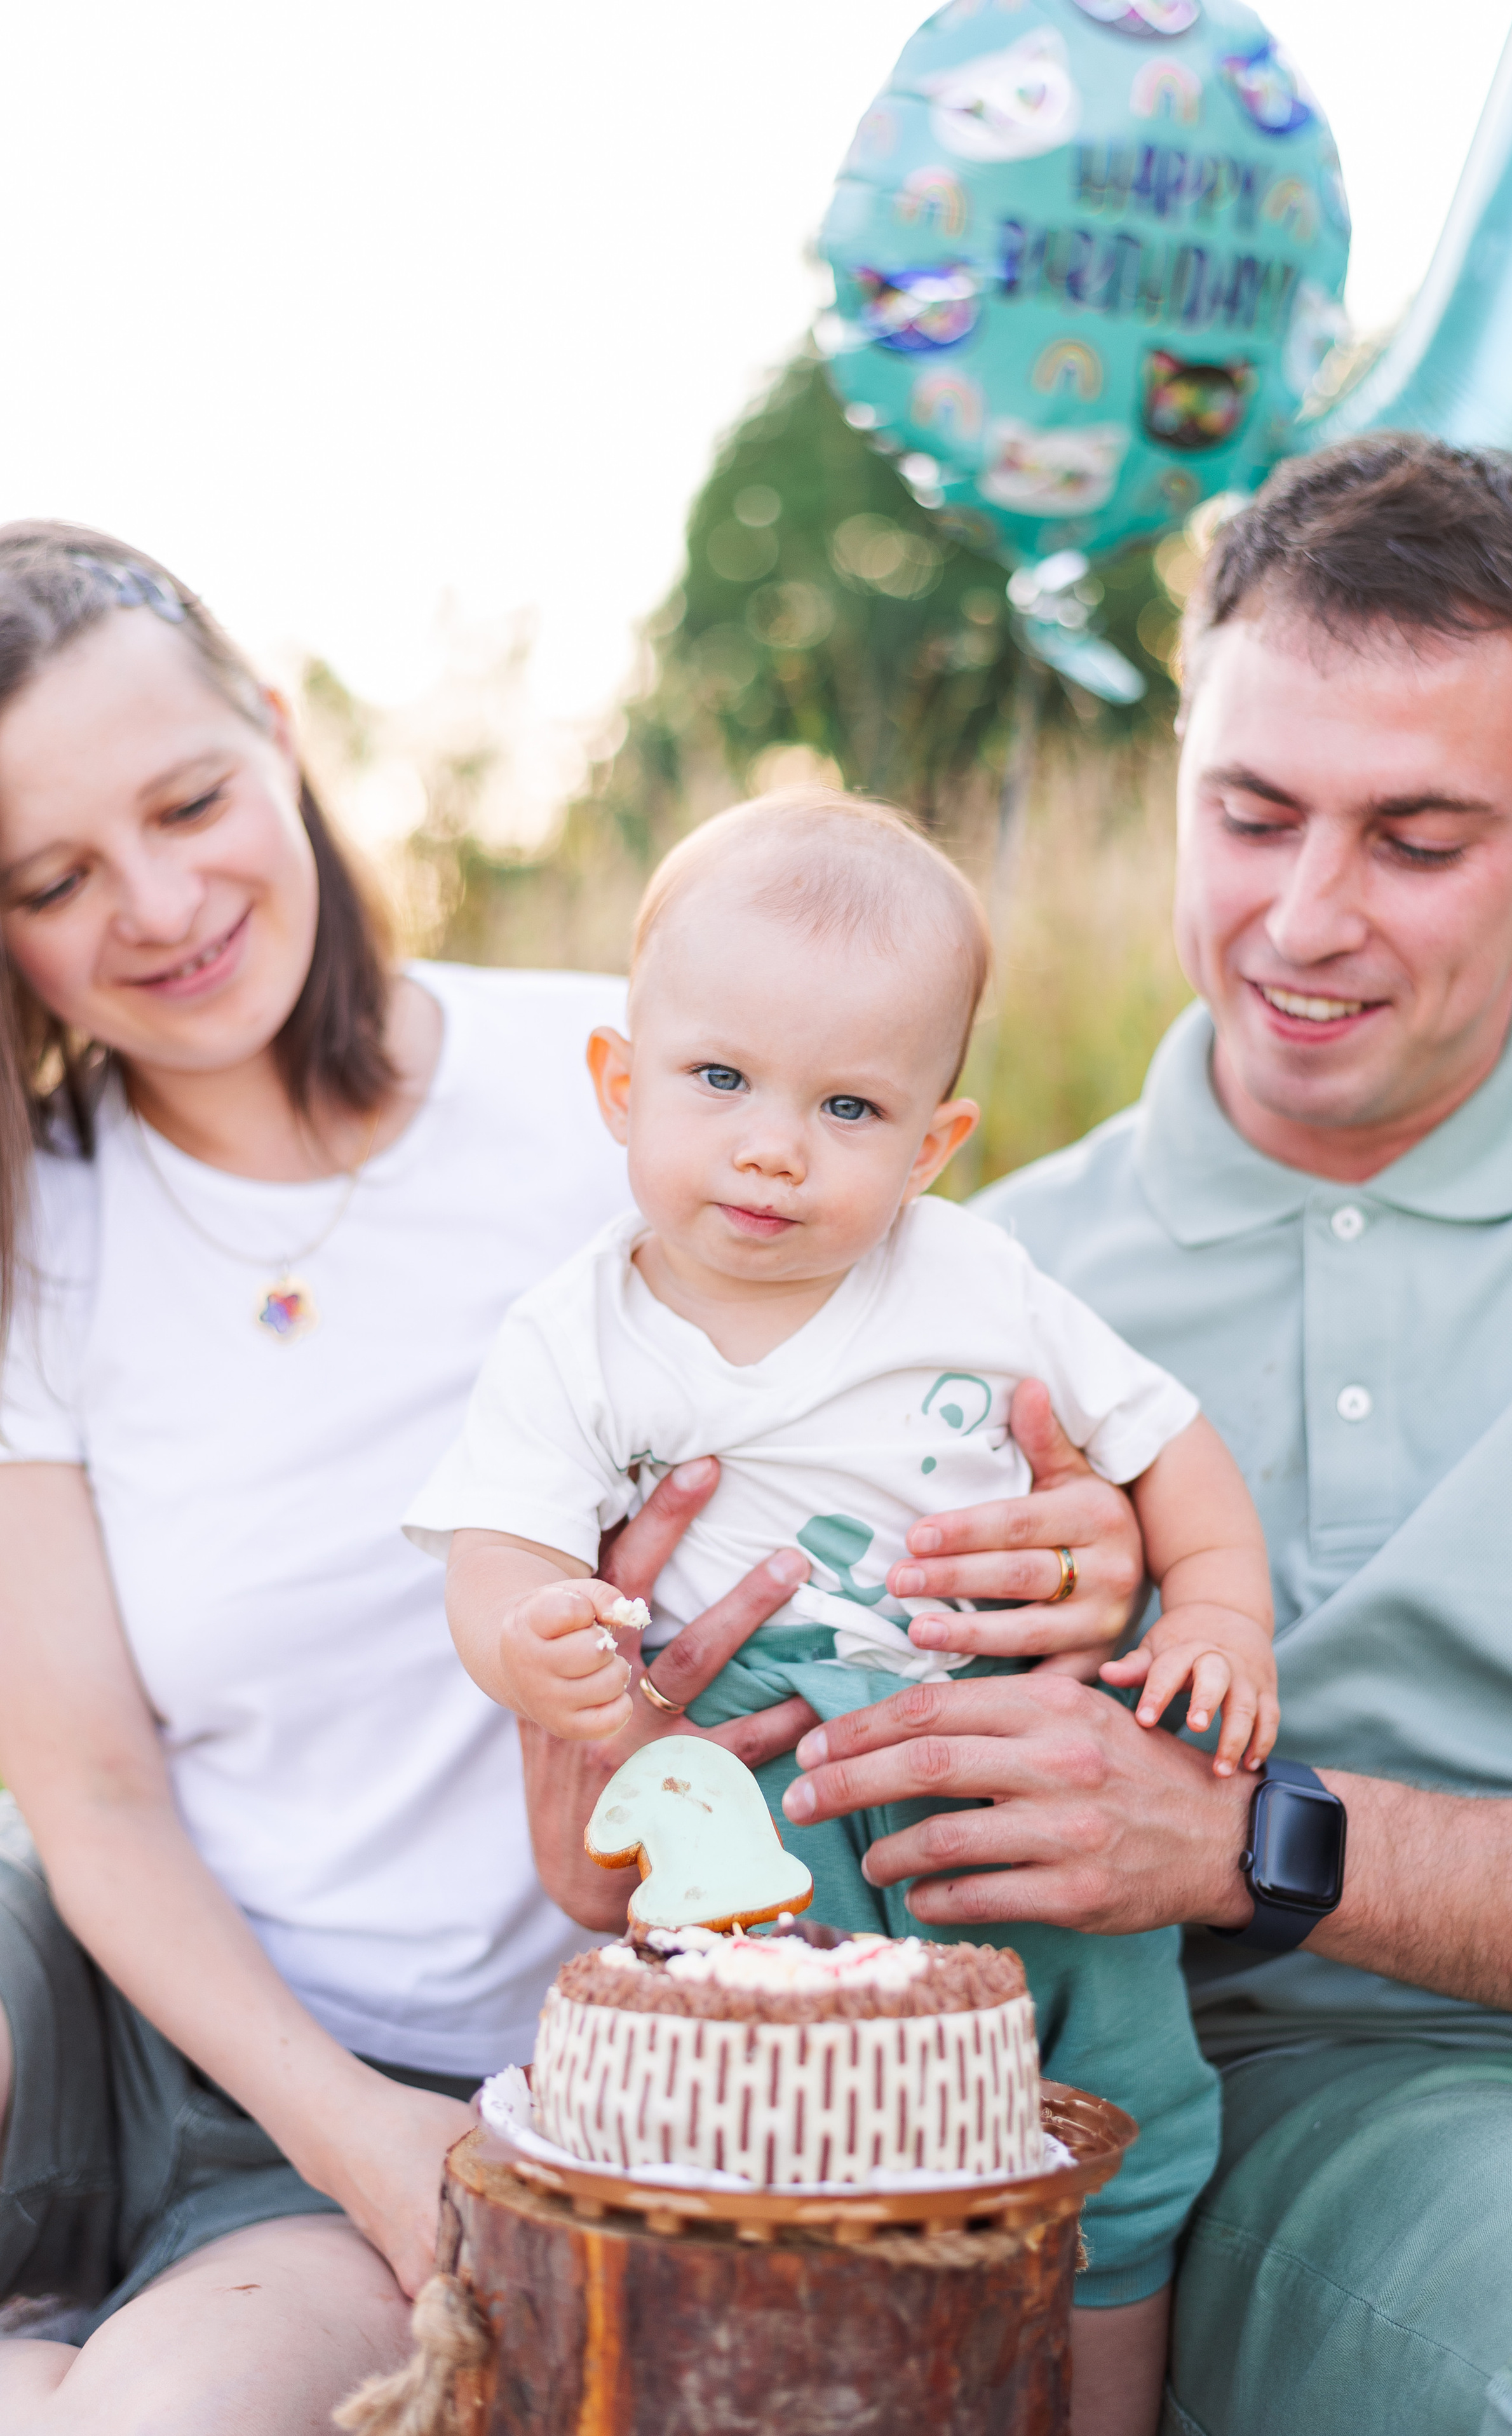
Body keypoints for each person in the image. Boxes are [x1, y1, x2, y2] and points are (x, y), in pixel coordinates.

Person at [0, 524, 1140, 2433]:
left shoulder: (660, 1090)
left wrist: (1084, 1545)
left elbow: (971, 1408)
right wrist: (360, 2138)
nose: (162, 902)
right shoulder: (41, 1223)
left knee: (155, 2416)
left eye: (190, 801)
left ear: (277, 733)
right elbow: (91, 1791)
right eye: (52, 877)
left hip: (490, 2058)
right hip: (156, 1997)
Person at [776, 434, 1512, 2436]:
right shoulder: (964, 1292)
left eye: (1417, 840)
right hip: (1365, 2115)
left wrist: (1256, 1832)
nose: (1305, 918)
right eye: (1251, 815)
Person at [407, 792, 1277, 2430]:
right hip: (764, 1791)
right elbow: (498, 1545)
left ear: (934, 1145)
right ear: (621, 1085)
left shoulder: (977, 1282)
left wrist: (1222, 1613)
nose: (773, 1146)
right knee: (776, 2143)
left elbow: (1168, 1445)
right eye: (719, 1079)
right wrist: (530, 1640)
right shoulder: (576, 1336)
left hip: (1012, 1765)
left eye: (850, 1105)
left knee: (1120, 2133)